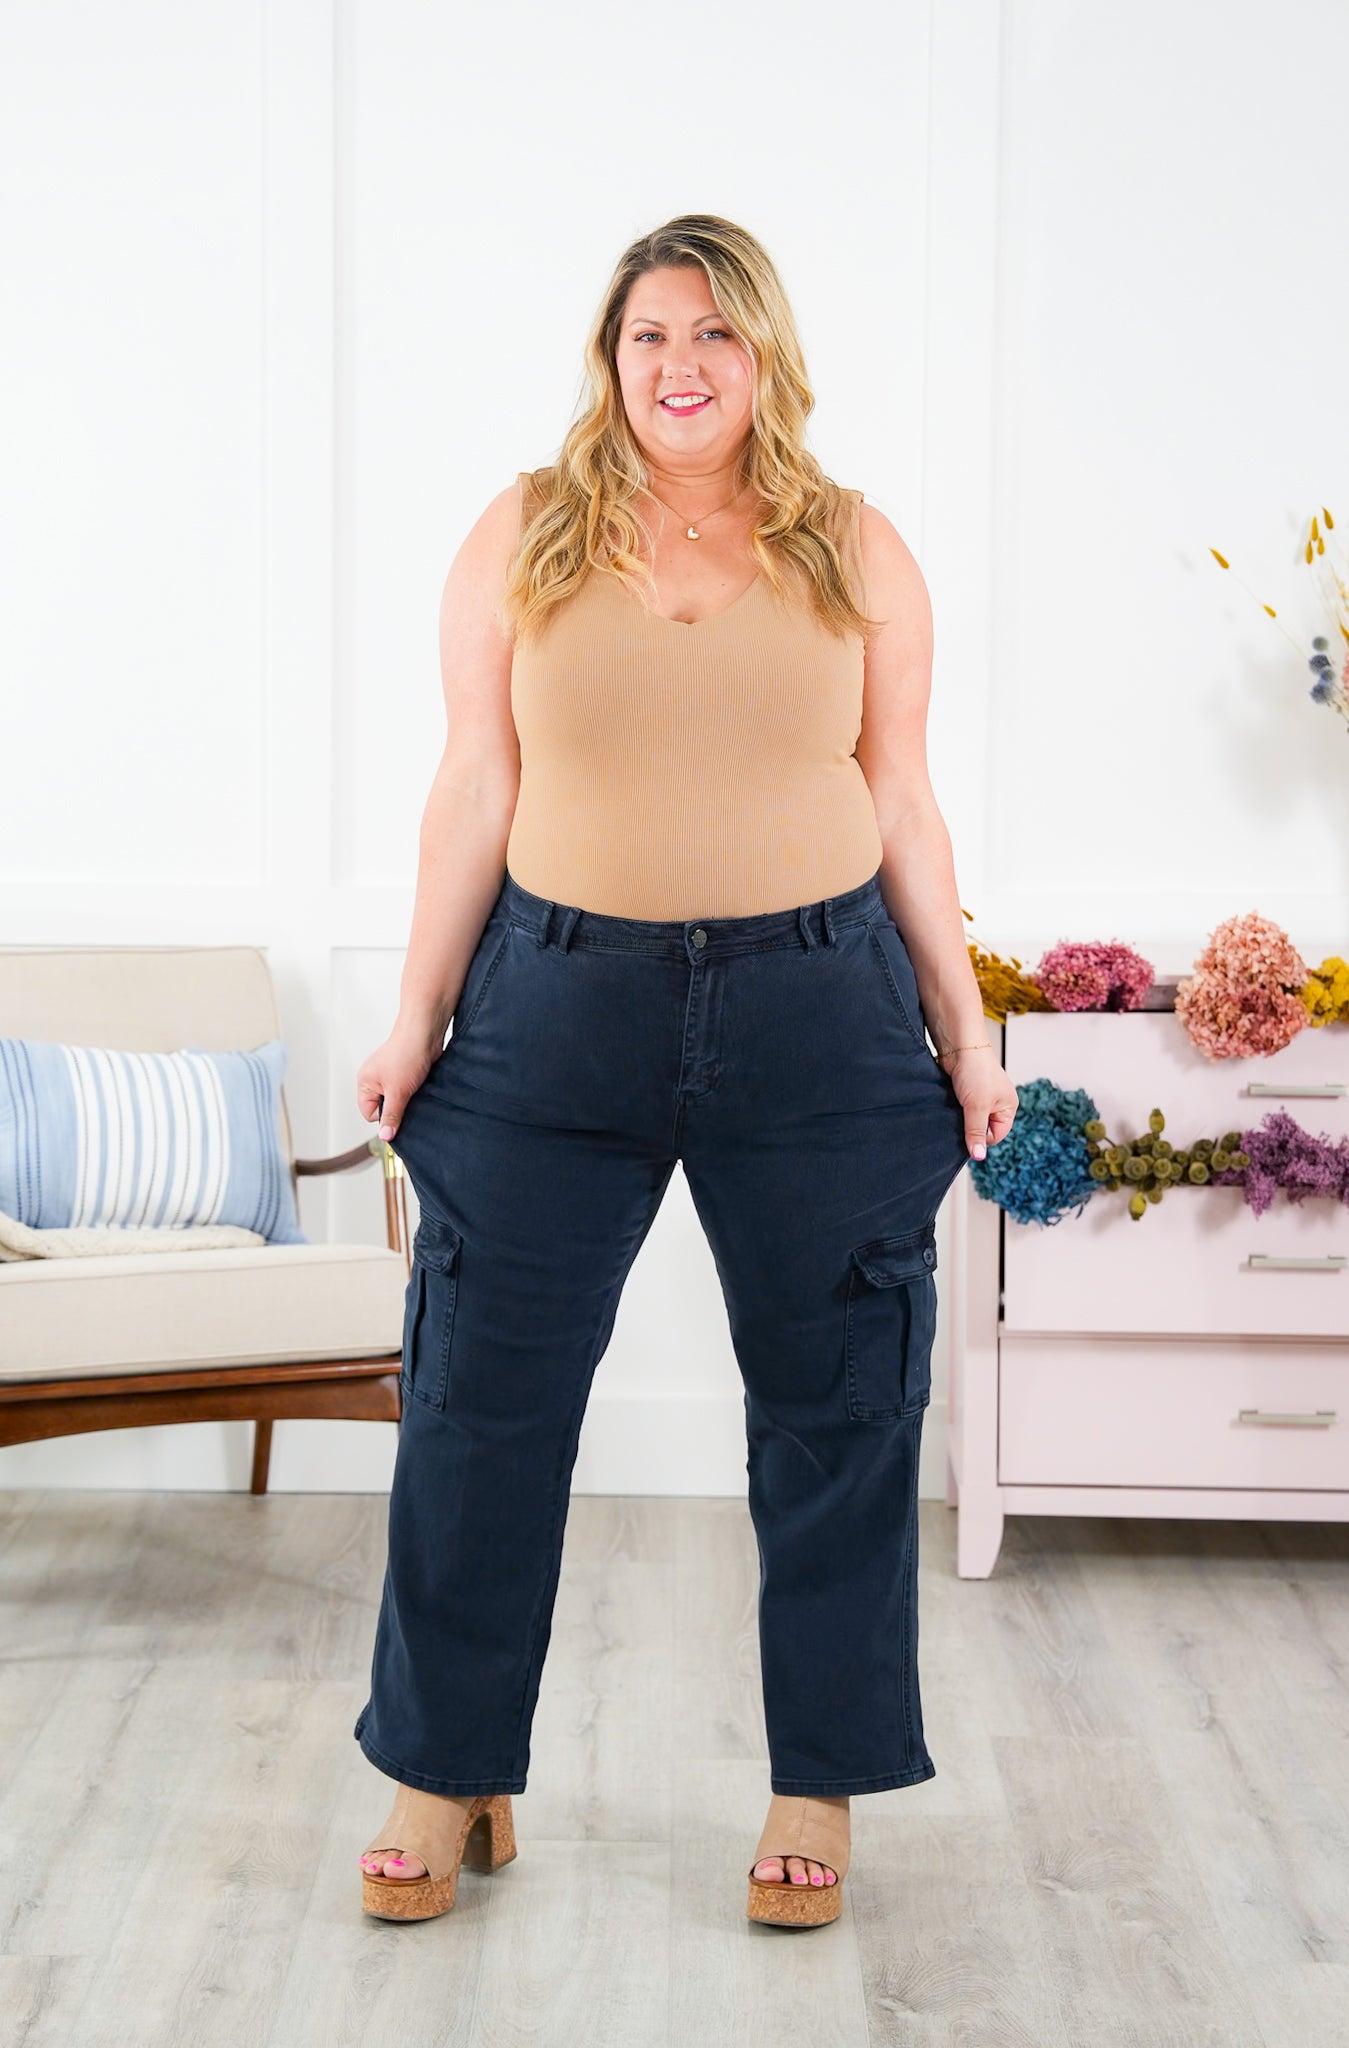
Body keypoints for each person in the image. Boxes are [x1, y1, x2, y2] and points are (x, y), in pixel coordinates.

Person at [352, 213, 1017, 1929]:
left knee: (838, 1407)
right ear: (610, 355)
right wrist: (416, 1013)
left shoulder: (854, 546)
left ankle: (817, 1786)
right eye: (649, 334)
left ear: (763, 353)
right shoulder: (523, 530)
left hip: (820, 1015)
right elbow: (473, 784)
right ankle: (446, 1771)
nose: (679, 365)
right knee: (481, 1400)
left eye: (713, 334)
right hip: (554, 1009)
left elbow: (902, 797)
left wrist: (964, 1030)